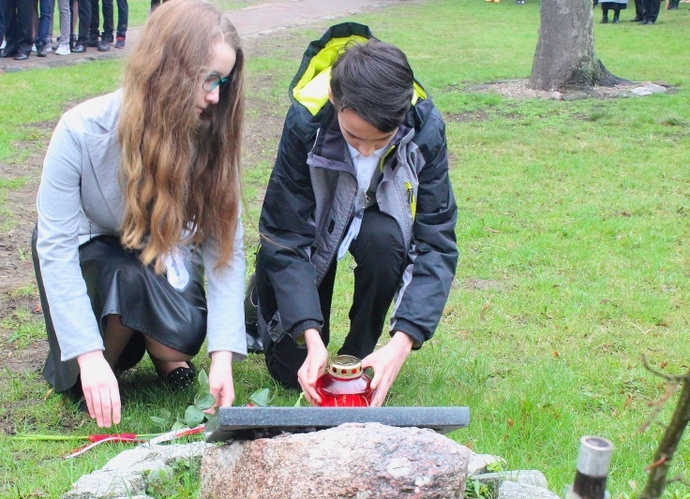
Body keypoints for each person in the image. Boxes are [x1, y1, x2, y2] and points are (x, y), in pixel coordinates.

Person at [33, 0, 247, 428]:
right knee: (118, 276)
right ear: (167, 71)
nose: (216, 96)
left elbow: (226, 251)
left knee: (184, 332)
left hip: (158, 254)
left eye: (223, 81)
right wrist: (90, 359)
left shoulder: (209, 137)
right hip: (93, 257)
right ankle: (107, 358)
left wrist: (222, 356)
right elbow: (54, 247)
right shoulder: (79, 131)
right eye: (208, 79)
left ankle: (164, 355)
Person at [253, 22, 458, 408]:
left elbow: (437, 241)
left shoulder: (425, 127)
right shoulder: (305, 121)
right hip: (316, 225)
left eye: (381, 142)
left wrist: (403, 341)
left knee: (386, 243)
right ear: (334, 98)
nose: (366, 152)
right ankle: (266, 306)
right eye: (354, 137)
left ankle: (361, 352)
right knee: (289, 369)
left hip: (376, 218)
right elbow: (284, 233)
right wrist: (309, 337)